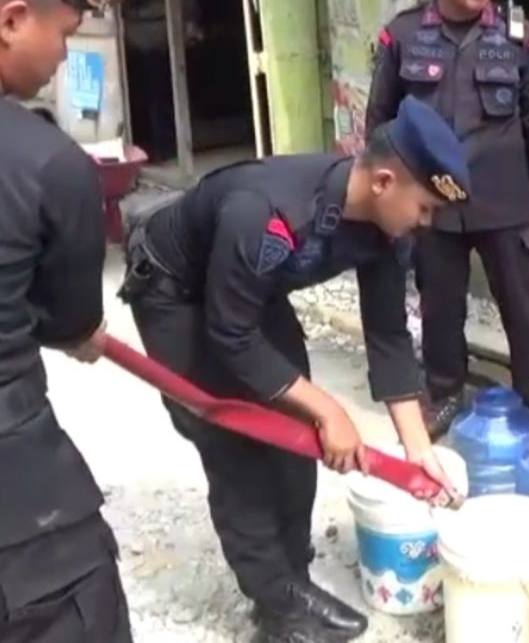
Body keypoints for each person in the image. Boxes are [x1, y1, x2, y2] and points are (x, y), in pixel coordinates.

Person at [119, 96, 470, 643]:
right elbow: (229, 334)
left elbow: (388, 334)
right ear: (383, 182)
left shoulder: (386, 231)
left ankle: (290, 575)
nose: (426, 223)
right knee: (235, 444)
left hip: (252, 295)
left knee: (298, 437)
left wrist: (417, 448)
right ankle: (278, 606)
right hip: (177, 294)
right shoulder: (266, 211)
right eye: (425, 207)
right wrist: (330, 407)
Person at [365, 0, 529, 436]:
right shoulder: (404, 36)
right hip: (431, 203)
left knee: (524, 310)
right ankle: (445, 393)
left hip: (506, 200)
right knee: (439, 308)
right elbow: (380, 122)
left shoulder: (520, 37)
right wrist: (384, 201)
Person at [0, 0, 131, 642]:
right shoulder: (51, 166)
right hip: (21, 503)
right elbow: (70, 321)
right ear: (13, 18)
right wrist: (79, 331)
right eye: (64, 33)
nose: (62, 58)